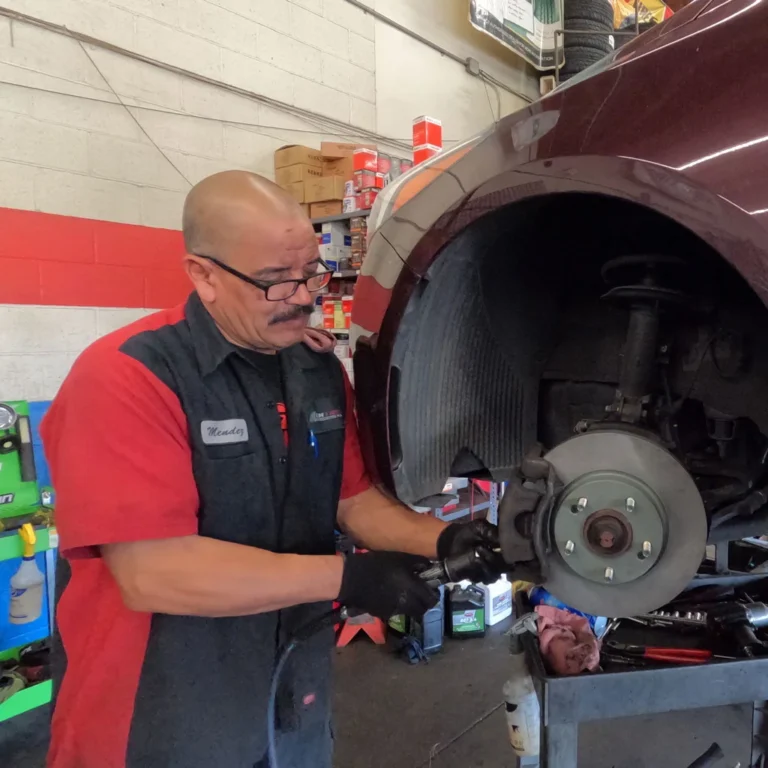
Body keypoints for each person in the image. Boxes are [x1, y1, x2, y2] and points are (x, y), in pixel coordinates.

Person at [41, 171, 499, 768]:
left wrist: (446, 537)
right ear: (202, 275)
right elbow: (154, 572)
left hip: (291, 695)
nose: (304, 296)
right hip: (157, 713)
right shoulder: (127, 377)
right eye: (274, 282)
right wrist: (346, 579)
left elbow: (350, 498)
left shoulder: (314, 371)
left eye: (311, 272)